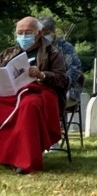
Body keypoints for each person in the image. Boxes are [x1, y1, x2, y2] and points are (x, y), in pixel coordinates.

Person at [0, 16, 68, 173]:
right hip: (13, 92)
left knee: (29, 106)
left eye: (27, 32)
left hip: (41, 91)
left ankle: (25, 161)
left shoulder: (52, 52)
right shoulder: (10, 52)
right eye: (20, 33)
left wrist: (42, 74)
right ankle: (7, 155)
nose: (23, 37)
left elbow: (63, 79)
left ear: (38, 33)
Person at [39, 16, 84, 106]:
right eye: (41, 34)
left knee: (48, 100)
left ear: (53, 32)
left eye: (46, 33)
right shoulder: (35, 47)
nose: (43, 37)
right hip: (40, 85)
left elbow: (74, 69)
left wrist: (60, 82)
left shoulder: (65, 47)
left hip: (65, 87)